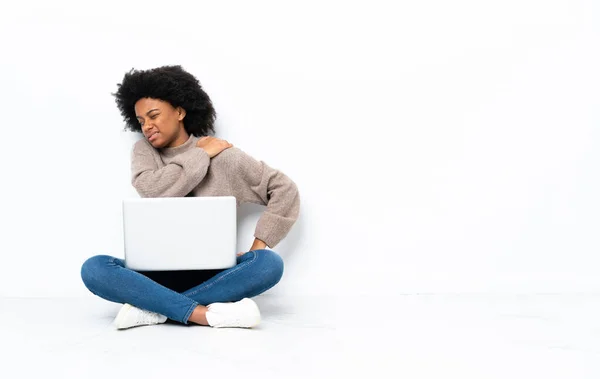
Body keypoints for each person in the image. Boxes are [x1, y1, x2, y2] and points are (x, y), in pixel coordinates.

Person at [80, 65, 300, 330]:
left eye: (153, 115)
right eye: (141, 121)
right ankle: (204, 314)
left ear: (180, 111)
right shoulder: (145, 152)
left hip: (216, 274)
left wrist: (258, 245)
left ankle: (155, 309)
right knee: (94, 268)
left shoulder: (225, 157)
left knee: (268, 264)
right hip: (154, 275)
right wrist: (200, 154)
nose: (147, 126)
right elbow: (151, 190)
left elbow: (284, 189)